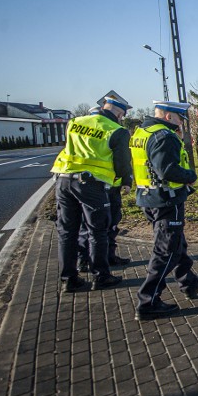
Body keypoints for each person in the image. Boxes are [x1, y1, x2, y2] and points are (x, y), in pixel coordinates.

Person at [131, 100, 198, 321]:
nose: (182, 123)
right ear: (168, 117)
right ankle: (148, 301)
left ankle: (189, 282)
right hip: (166, 200)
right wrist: (190, 176)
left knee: (176, 242)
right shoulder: (164, 136)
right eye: (180, 118)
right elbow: (168, 170)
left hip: (149, 197)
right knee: (167, 251)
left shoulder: (142, 132)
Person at [51, 95, 133, 292]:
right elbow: (122, 162)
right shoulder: (117, 130)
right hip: (90, 184)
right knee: (97, 230)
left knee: (67, 231)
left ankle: (69, 279)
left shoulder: (75, 122)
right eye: (122, 115)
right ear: (120, 113)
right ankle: (101, 276)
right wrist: (125, 181)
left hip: (63, 179)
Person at [77, 105, 131, 272]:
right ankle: (93, 261)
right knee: (99, 226)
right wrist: (126, 178)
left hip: (87, 184)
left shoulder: (79, 127)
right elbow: (121, 160)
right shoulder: (113, 130)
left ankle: (97, 258)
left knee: (95, 225)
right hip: (104, 184)